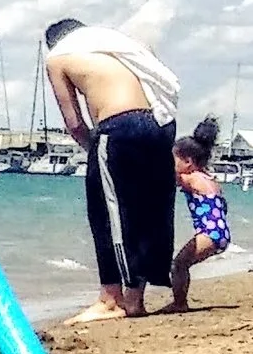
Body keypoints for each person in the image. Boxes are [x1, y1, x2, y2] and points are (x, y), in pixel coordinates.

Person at [43, 17, 182, 323]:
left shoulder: (57, 57)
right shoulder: (112, 48)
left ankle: (111, 300)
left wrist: (92, 151)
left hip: (118, 127)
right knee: (148, 213)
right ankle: (135, 299)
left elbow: (75, 122)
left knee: (108, 215)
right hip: (157, 126)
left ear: (52, 42)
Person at [164, 118, 229, 313]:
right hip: (220, 232)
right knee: (183, 264)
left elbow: (167, 176)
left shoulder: (189, 178)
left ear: (188, 162)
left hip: (209, 233)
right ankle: (180, 301)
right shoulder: (209, 178)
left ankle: (180, 302)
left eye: (173, 160)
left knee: (179, 264)